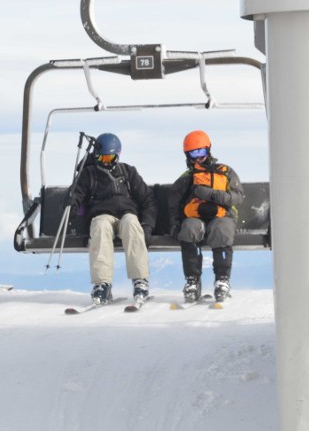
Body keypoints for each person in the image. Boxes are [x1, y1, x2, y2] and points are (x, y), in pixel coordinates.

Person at [69, 133, 157, 305]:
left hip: (126, 214)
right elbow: (76, 196)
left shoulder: (127, 172)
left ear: (118, 155)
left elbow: (148, 200)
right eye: (102, 158)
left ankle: (140, 280)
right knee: (100, 225)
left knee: (132, 223)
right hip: (102, 214)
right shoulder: (89, 174)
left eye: (110, 158)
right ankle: (102, 284)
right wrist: (71, 202)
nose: (106, 162)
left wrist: (147, 226)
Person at [168, 130, 244, 303]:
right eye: (193, 153)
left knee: (221, 230)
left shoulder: (225, 172)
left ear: (208, 150)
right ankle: (192, 280)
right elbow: (174, 203)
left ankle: (222, 279)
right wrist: (175, 223)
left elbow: (238, 196)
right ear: (187, 155)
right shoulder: (187, 178)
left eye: (201, 152)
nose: (198, 158)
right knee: (189, 229)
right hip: (196, 218)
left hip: (222, 216)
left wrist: (210, 195)